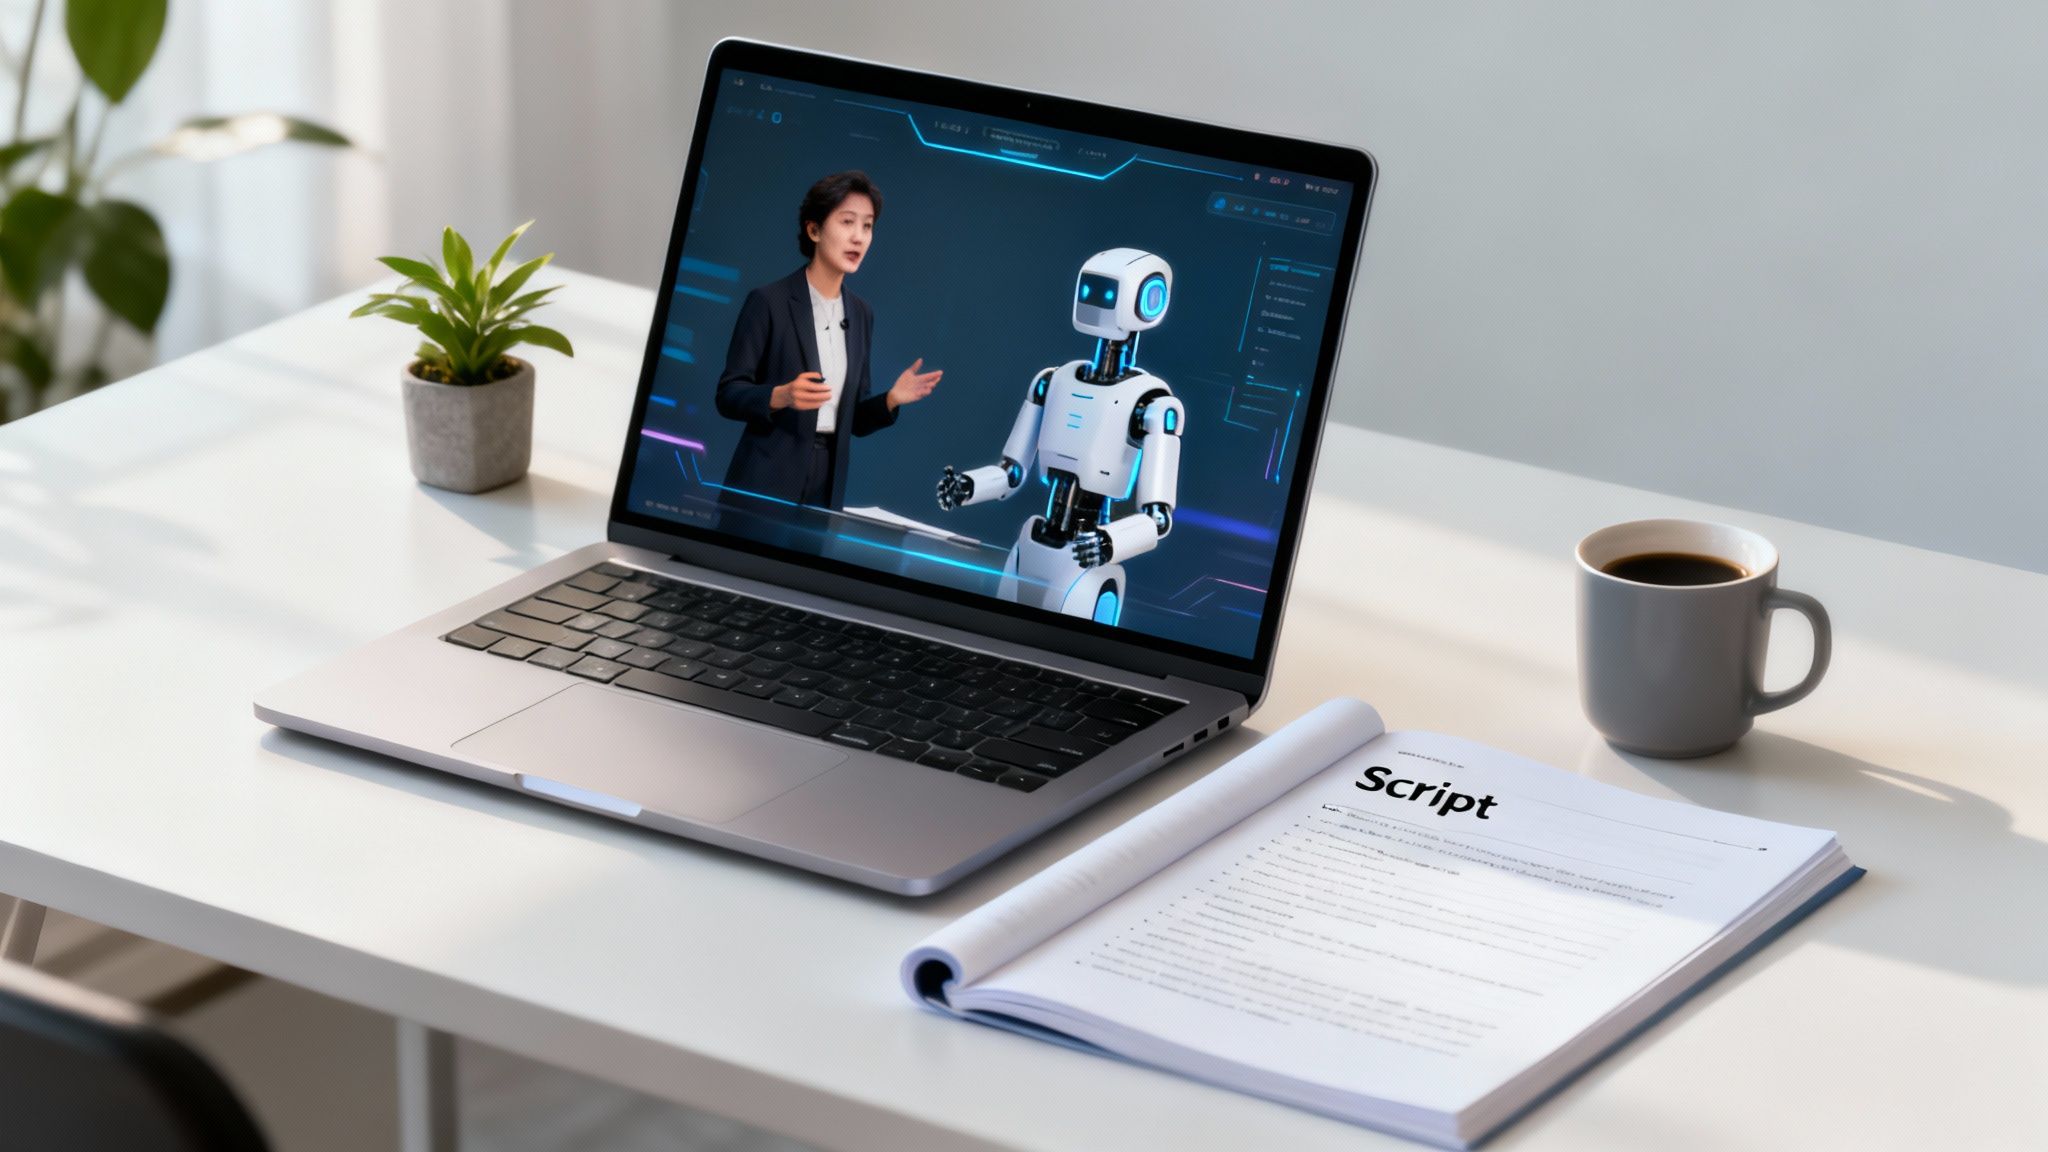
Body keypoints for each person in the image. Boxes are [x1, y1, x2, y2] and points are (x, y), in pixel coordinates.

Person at [713, 170, 941, 510]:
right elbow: (728, 395)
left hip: (826, 487)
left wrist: (891, 400)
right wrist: (781, 395)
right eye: (847, 222)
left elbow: (853, 419)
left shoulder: (862, 313)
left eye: (867, 226)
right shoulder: (769, 301)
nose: (859, 237)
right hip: (765, 478)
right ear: (814, 229)